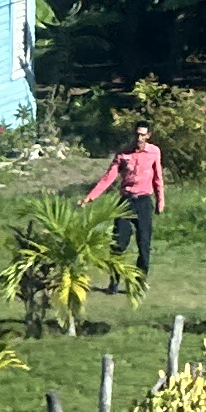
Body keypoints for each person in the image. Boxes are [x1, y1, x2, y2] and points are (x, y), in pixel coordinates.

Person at [79, 122, 164, 290]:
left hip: (144, 201)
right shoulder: (123, 154)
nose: (139, 138)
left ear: (148, 135)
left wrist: (160, 200)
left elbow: (157, 178)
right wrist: (90, 197)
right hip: (126, 201)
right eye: (137, 134)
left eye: (142, 135)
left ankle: (140, 281)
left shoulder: (154, 152)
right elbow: (108, 178)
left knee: (144, 243)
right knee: (119, 243)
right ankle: (114, 280)